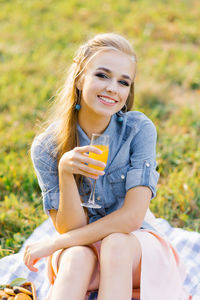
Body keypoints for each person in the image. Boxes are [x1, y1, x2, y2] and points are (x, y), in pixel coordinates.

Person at [23, 33, 190, 300]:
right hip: (81, 254)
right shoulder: (47, 147)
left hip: (133, 246)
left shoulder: (138, 130)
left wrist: (55, 244)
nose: (113, 88)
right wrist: (66, 173)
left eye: (123, 82)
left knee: (115, 244)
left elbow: (132, 217)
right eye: (102, 75)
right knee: (77, 256)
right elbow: (71, 229)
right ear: (79, 78)